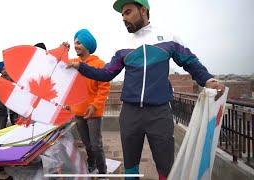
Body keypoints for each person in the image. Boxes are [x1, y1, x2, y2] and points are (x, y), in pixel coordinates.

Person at [67, 0, 225, 179]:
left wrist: (208, 80)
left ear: (143, 10)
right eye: (122, 15)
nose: (124, 18)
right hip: (129, 113)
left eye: (128, 12)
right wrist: (80, 67)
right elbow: (106, 73)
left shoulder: (168, 37)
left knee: (165, 166)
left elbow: (190, 62)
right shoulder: (122, 45)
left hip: (159, 112)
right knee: (131, 165)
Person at [63, 29, 111, 174]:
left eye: (79, 43)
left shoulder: (100, 64)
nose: (75, 45)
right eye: (74, 43)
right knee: (87, 145)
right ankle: (91, 164)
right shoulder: (72, 63)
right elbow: (56, 64)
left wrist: (95, 105)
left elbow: (104, 88)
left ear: (87, 44)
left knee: (96, 145)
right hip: (78, 112)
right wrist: (63, 50)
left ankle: (102, 171)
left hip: (93, 112)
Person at [0, 61, 18, 129]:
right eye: (2, 69)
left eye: (5, 68)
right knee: (2, 129)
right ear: (0, 71)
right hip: (2, 110)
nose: (4, 70)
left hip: (14, 109)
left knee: (16, 128)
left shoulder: (14, 80)